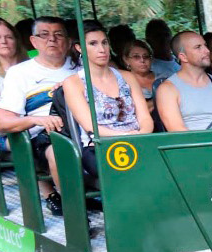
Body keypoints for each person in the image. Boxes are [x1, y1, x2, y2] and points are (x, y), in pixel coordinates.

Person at [56, 23, 153, 203]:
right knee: (128, 176)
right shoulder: (73, 82)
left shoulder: (127, 77)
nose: (102, 49)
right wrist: (125, 136)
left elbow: (145, 117)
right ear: (79, 48)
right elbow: (90, 126)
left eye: (104, 43)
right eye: (93, 44)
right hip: (100, 146)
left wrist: (140, 135)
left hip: (139, 140)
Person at [0, 17, 76, 216]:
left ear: (67, 40)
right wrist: (36, 120)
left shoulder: (82, 68)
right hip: (47, 134)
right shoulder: (19, 73)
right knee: (60, 154)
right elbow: (1, 122)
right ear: (34, 41)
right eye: (45, 35)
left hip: (86, 126)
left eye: (58, 35)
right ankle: (75, 214)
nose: (52, 40)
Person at [155, 30, 212, 132]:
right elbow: (179, 133)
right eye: (198, 47)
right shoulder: (167, 89)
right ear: (183, 57)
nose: (207, 51)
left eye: (205, 45)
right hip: (194, 145)